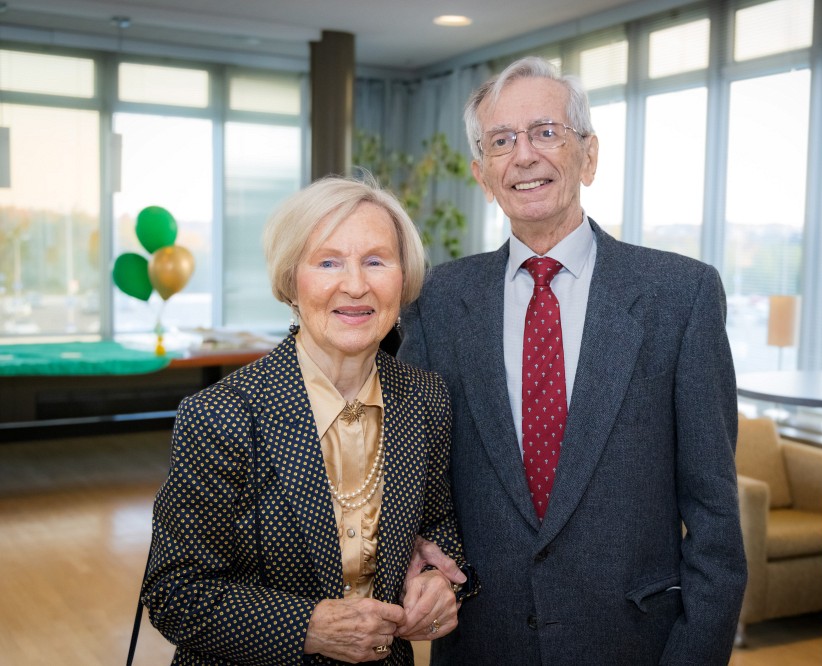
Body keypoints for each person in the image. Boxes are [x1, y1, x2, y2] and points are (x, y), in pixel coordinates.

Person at [398, 56, 746, 665]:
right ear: (482, 174)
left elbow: (714, 513)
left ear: (588, 155)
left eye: (545, 132)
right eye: (501, 141)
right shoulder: (440, 299)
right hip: (483, 640)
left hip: (634, 640)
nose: (524, 156)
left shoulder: (678, 295)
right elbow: (418, 473)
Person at [141, 175, 477, 666]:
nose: (356, 284)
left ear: (402, 279)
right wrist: (308, 628)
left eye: (376, 261)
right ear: (289, 281)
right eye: (328, 262)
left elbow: (438, 523)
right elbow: (175, 591)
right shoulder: (220, 415)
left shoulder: (425, 398)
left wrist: (440, 582)